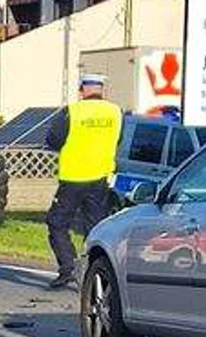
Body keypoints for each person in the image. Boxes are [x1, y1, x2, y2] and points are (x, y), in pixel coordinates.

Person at [44, 74, 123, 289]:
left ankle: (68, 267)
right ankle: (95, 273)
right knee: (96, 228)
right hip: (101, 178)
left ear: (82, 90)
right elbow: (119, 139)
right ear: (102, 90)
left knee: (57, 222)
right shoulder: (115, 112)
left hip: (73, 177)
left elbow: (53, 139)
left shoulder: (72, 112)